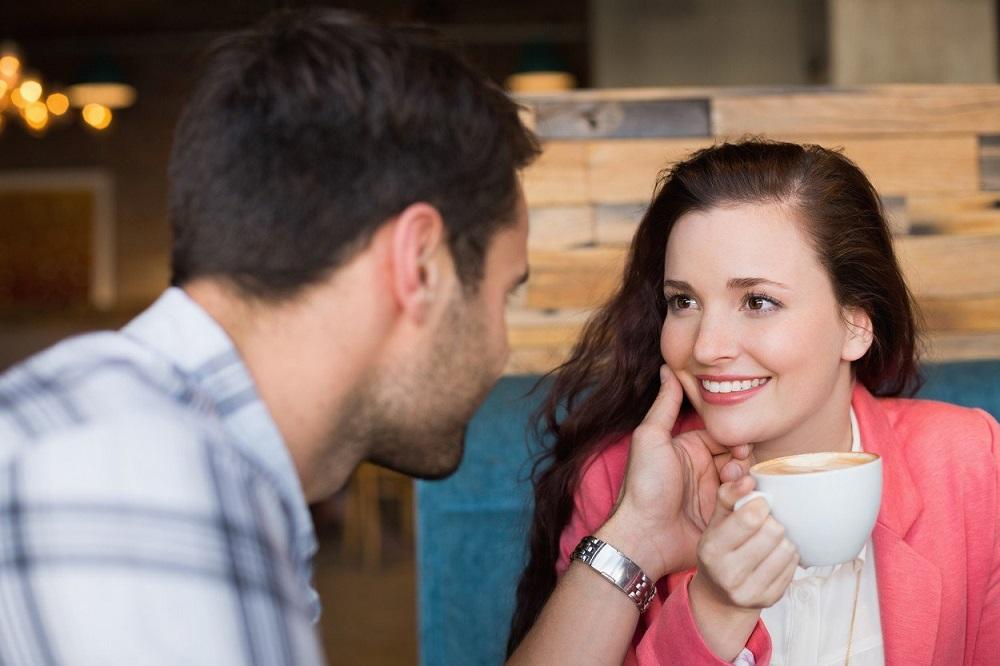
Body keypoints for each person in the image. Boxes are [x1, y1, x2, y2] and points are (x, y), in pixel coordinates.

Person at [0, 9, 538, 665]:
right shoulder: (145, 486)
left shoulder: (151, 448)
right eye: (505, 294)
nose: (502, 348)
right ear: (420, 266)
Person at [507, 140, 1000, 665]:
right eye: (684, 301)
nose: (705, 347)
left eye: (758, 301)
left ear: (855, 325)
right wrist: (661, 559)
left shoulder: (971, 460)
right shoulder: (616, 480)